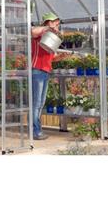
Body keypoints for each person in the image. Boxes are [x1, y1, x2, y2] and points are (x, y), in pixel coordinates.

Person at [31, 12, 60, 140]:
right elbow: (32, 31)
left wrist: (62, 56)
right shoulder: (40, 35)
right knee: (36, 103)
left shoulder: (51, 39)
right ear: (48, 23)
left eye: (57, 24)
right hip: (37, 70)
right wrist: (48, 28)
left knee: (41, 103)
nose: (56, 26)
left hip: (46, 72)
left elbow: (53, 57)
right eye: (54, 23)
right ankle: (36, 132)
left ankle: (37, 130)